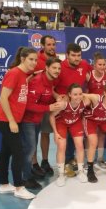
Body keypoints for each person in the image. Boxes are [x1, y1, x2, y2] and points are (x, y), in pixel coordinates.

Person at [0, 47, 37, 200]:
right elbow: (4, 97)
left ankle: (4, 184)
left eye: (36, 59)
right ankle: (19, 187)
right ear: (23, 58)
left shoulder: (23, 75)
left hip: (11, 120)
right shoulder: (14, 73)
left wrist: (30, 78)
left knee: (5, 152)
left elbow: (19, 89)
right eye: (31, 59)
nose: (34, 62)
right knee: (18, 152)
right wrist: (12, 120)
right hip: (6, 120)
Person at [20, 58, 64, 189]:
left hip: (37, 119)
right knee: (29, 149)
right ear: (47, 68)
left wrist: (56, 97)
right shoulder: (37, 81)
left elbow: (47, 93)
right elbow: (28, 104)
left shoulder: (49, 80)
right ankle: (25, 178)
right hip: (28, 120)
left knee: (31, 147)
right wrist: (48, 108)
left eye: (59, 68)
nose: (57, 71)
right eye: (54, 68)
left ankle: (29, 172)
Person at [54, 43, 92, 176]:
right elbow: (51, 87)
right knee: (62, 141)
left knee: (76, 138)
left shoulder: (84, 64)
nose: (77, 58)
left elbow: (92, 74)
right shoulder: (60, 67)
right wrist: (58, 97)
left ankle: (71, 161)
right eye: (74, 55)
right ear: (67, 55)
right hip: (62, 108)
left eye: (79, 55)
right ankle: (64, 164)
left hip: (77, 107)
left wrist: (85, 95)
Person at [49, 83, 88, 187]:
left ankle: (80, 172)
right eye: (75, 94)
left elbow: (93, 97)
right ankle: (61, 174)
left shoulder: (85, 101)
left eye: (80, 94)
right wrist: (55, 133)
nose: (78, 96)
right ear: (69, 95)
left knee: (80, 145)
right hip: (61, 123)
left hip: (75, 122)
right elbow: (51, 116)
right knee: (61, 146)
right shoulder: (63, 104)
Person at [32, 35, 58, 178]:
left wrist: (56, 97)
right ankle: (34, 163)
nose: (52, 47)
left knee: (45, 133)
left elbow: (53, 86)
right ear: (42, 46)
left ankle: (45, 161)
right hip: (35, 106)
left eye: (53, 44)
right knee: (33, 136)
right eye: (49, 44)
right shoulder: (36, 60)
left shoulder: (56, 61)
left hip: (49, 106)